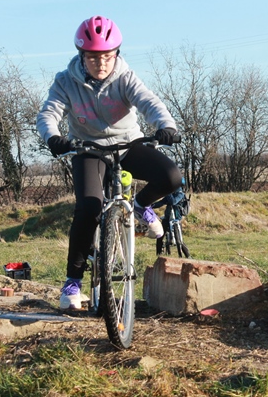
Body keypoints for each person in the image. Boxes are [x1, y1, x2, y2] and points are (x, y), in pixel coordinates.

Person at [36, 16, 183, 310]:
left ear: (116, 53)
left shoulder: (125, 77)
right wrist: (53, 138)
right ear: (82, 56)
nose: (101, 63)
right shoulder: (65, 81)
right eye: (93, 57)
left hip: (128, 145)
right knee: (89, 207)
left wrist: (166, 126)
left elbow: (149, 102)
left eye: (107, 56)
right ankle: (72, 281)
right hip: (88, 149)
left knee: (171, 177)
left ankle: (140, 206)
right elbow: (48, 113)